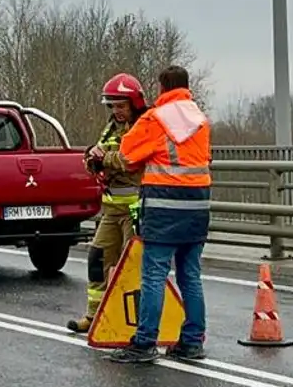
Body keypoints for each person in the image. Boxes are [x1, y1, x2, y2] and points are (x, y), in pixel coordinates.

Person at [106, 65, 211, 364]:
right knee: (190, 274)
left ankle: (144, 342)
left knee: (153, 274)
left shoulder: (156, 118)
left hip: (165, 205)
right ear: (187, 87)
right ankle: (192, 341)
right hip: (198, 205)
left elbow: (126, 153)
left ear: (162, 88)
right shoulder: (201, 119)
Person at [67, 73, 148, 333]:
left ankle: (137, 323)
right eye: (112, 106)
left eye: (121, 106)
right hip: (111, 210)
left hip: (135, 210)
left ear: (134, 104)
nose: (117, 111)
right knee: (97, 258)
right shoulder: (111, 127)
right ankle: (94, 315)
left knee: (133, 265)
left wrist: (105, 159)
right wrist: (93, 158)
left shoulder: (142, 126)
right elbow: (96, 160)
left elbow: (131, 161)